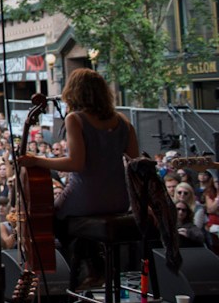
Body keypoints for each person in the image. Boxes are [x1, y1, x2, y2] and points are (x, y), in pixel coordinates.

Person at [17, 68, 139, 281]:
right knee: (75, 224)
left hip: (86, 197)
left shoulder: (76, 119)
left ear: (73, 92)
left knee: (51, 218)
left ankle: (87, 266)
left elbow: (76, 163)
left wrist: (37, 160)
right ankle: (95, 262)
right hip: (119, 200)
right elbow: (136, 163)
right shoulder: (123, 121)